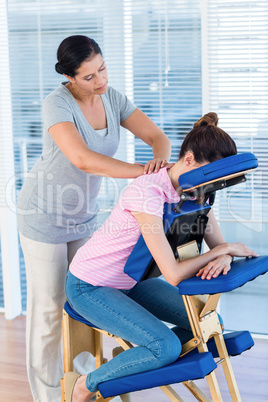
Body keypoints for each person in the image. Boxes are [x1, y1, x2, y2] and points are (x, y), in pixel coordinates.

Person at [17, 35, 172, 402]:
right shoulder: (57, 104)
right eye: (89, 77)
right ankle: (47, 397)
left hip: (84, 217)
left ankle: (85, 383)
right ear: (70, 77)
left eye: (102, 69)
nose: (100, 80)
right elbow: (82, 159)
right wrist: (141, 172)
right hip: (44, 215)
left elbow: (157, 137)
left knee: (92, 302)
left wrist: (159, 166)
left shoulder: (112, 97)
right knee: (51, 311)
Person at [64, 112, 258, 402]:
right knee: (164, 347)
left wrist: (224, 256)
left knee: (207, 321)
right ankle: (86, 384)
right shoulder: (149, 193)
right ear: (189, 160)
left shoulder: (197, 192)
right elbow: (174, 273)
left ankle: (137, 355)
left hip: (133, 280)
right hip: (91, 285)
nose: (211, 188)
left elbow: (220, 245)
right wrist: (221, 252)